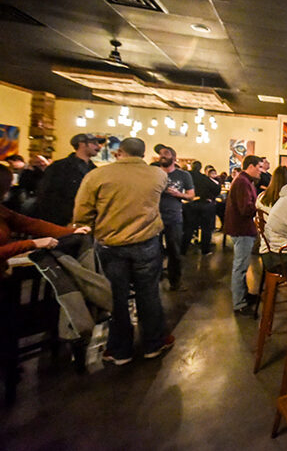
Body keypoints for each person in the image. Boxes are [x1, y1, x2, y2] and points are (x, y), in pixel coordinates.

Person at [73, 137, 173, 365]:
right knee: (149, 294)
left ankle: (120, 350)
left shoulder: (97, 176)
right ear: (144, 154)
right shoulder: (157, 175)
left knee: (116, 298)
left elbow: (82, 214)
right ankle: (153, 344)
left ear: (119, 152)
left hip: (111, 245)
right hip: (146, 242)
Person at [0, 164, 89, 261]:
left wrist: (71, 232)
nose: (11, 186)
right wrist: (33, 244)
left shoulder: (2, 211)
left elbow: (29, 224)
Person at [35, 134, 104, 226]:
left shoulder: (94, 170)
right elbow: (46, 194)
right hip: (61, 221)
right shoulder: (59, 167)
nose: (98, 146)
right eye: (94, 143)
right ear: (82, 144)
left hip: (85, 220)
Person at [224, 154, 261, 315]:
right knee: (240, 267)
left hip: (241, 228)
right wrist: (259, 206)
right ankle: (239, 303)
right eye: (259, 167)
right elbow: (245, 208)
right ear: (250, 166)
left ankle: (244, 295)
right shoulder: (242, 182)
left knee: (242, 265)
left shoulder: (243, 180)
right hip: (242, 229)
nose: (261, 171)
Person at [155, 144, 194, 291]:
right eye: (160, 154)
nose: (162, 156)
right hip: (154, 217)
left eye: (166, 153)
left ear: (174, 157)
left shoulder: (183, 175)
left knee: (174, 251)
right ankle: (155, 279)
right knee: (154, 251)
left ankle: (175, 281)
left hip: (174, 217)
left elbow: (191, 195)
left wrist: (179, 194)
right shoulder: (154, 173)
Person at [183, 160, 220, 255]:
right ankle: (205, 250)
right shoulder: (204, 178)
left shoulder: (186, 176)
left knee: (188, 227)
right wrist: (210, 197)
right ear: (200, 168)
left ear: (192, 166)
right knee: (206, 228)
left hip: (190, 204)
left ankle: (183, 249)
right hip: (205, 204)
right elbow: (216, 189)